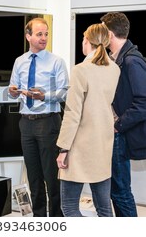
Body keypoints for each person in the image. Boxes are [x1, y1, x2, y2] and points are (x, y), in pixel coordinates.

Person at [100, 12, 146, 217]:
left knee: (120, 193)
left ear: (109, 34)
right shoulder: (118, 59)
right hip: (120, 135)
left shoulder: (131, 62)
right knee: (117, 191)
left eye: (102, 30)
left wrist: (118, 124)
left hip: (122, 134)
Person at [56, 23, 120, 217]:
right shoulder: (114, 69)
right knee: (104, 209)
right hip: (102, 145)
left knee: (69, 207)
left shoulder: (81, 70)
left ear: (87, 42)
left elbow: (73, 113)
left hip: (80, 146)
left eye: (83, 40)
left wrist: (63, 148)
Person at [8, 17, 69, 217]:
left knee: (52, 177)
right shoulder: (19, 61)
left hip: (48, 121)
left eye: (46, 34)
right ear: (28, 36)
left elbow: (64, 92)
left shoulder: (56, 62)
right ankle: (39, 219)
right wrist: (14, 91)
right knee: (34, 177)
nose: (44, 38)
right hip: (26, 123)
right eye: (39, 34)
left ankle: (57, 220)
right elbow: (11, 89)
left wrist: (44, 96)